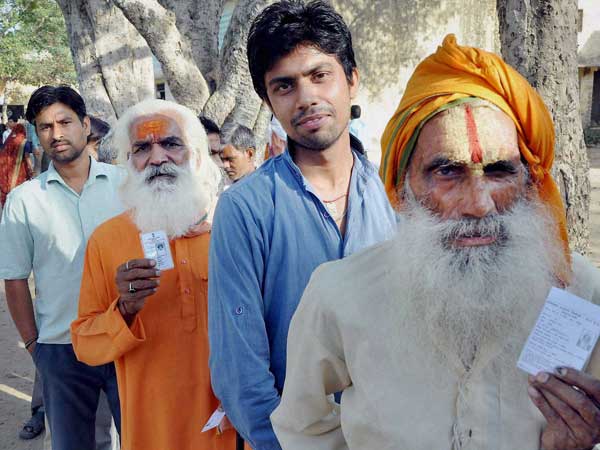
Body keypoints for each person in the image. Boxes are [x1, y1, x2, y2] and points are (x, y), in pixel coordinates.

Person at [271, 35, 600, 450]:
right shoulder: (340, 291)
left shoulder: (582, 294)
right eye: (447, 171)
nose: (479, 205)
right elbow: (302, 424)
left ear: (531, 181)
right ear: (403, 185)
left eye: (500, 170)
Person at [208, 2, 397, 449]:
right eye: (285, 85)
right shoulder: (245, 209)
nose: (306, 97)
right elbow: (239, 365)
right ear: (268, 100)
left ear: (351, 78)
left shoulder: (398, 197)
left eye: (319, 75)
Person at [71, 98, 235, 450]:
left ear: (195, 154)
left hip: (232, 425)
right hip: (153, 429)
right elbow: (85, 343)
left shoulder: (232, 227)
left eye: (171, 144)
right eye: (142, 148)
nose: (157, 158)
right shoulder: (108, 239)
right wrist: (125, 309)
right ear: (129, 162)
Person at [0, 85, 123, 450]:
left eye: (64, 122)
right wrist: (35, 345)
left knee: (140, 436)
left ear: (85, 125)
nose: (56, 134)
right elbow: (15, 278)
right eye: (45, 126)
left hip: (125, 338)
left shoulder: (125, 186)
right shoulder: (25, 200)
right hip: (60, 348)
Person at [0, 123, 33, 207]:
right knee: (18, 189)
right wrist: (31, 168)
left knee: (7, 189)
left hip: (5, 169)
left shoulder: (9, 140)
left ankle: (7, 208)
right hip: (19, 171)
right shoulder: (24, 142)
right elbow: (27, 157)